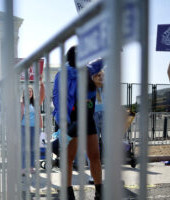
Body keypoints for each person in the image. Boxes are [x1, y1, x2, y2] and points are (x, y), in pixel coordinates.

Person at [52, 47, 102, 200]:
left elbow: (100, 61)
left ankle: (100, 192)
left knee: (95, 156)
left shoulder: (88, 70)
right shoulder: (63, 74)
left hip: (88, 119)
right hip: (72, 119)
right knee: (68, 158)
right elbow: (57, 98)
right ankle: (68, 192)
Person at [20, 81, 45, 173]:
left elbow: (42, 95)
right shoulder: (21, 103)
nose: (29, 93)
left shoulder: (35, 103)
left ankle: (31, 167)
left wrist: (41, 84)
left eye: (30, 91)